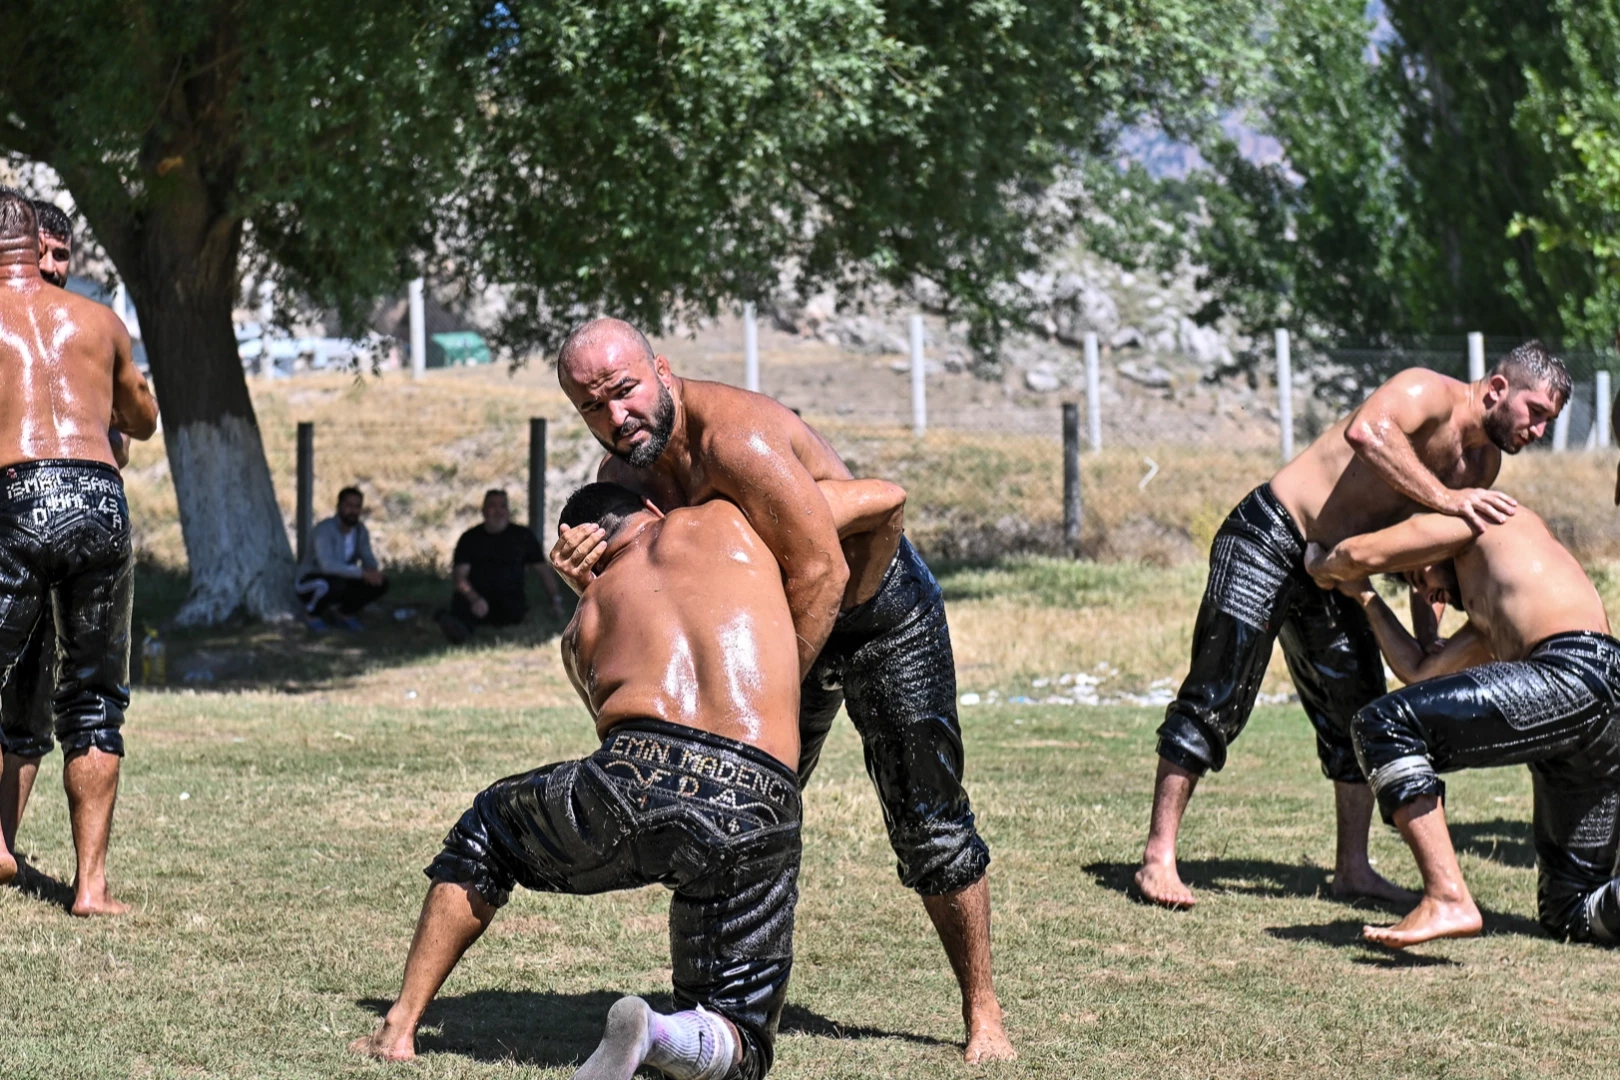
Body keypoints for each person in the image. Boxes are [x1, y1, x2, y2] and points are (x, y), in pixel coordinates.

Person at [548, 318, 1014, 1062]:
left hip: (876, 613)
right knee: (731, 808)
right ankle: (712, 1016)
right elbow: (660, 594)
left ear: (662, 369)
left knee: (927, 818)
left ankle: (983, 1013)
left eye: (624, 390)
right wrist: (588, 582)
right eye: (592, 406)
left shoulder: (738, 440)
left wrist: (766, 692)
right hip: (773, 631)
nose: (616, 416)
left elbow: (823, 569)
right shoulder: (623, 484)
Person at [354, 476, 907, 1078]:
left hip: (635, 773)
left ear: (579, 548)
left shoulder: (582, 622)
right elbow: (887, 498)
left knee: (487, 830)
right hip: (761, 793)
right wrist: (844, 617)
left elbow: (610, 719)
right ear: (649, 505)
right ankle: (665, 1035)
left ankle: (399, 1027)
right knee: (739, 1031)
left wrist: (590, 591)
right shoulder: (736, 522)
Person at [1136, 343, 1569, 909]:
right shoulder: (1426, 391)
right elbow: (1367, 432)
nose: (1538, 430)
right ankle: (1158, 858)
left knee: (1358, 705)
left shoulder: (1483, 466)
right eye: (1535, 412)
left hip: (1336, 570)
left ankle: (1353, 869)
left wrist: (1428, 638)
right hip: (1271, 532)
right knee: (1219, 691)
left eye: (1548, 421)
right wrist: (1447, 498)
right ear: (1497, 389)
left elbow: (1429, 556)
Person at [1305, 505, 1620, 949]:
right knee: (1570, 912)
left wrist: (1320, 566)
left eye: (1417, 574)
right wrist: (1365, 596)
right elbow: (1418, 672)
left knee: (1382, 725)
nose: (1426, 591)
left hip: (1574, 673)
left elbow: (1357, 553)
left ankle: (1447, 896)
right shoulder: (1493, 611)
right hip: (1598, 702)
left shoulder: (1479, 517)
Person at [0, 189, 158, 913]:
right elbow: (143, 419)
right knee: (95, 700)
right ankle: (91, 886)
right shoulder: (99, 320)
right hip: (98, 497)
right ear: (37, 243)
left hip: (16, 495)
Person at [0, 198, 106, 859]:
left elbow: (123, 434)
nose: (51, 266)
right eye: (41, 251)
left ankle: (3, 844)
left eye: (62, 255)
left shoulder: (85, 328)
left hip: (67, 535)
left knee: (34, 701)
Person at [434, 488, 563, 643]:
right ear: (484, 511)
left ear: (508, 511)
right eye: (493, 506)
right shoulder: (469, 539)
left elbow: (543, 571)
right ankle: (456, 628)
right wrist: (474, 598)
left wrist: (555, 601)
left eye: (503, 506)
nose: (498, 511)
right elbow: (460, 578)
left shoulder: (523, 536)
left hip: (509, 600)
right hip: (477, 597)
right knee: (463, 607)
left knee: (513, 611)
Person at [294, 486, 388, 630]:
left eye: (357, 507)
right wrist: (361, 573)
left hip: (342, 578)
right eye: (349, 506)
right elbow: (327, 566)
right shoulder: (324, 530)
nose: (353, 511)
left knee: (381, 582)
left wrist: (372, 572)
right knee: (333, 584)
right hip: (312, 580)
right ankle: (312, 615)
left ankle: (344, 613)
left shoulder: (360, 530)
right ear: (339, 506)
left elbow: (367, 556)